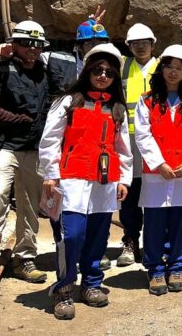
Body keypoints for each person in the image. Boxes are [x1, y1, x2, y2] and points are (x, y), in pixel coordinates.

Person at [38, 44, 133, 320]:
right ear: (88, 71)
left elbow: (123, 149)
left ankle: (91, 283)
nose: (103, 76)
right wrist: (50, 174)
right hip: (72, 181)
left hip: (104, 184)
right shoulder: (68, 102)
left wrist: (123, 179)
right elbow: (50, 140)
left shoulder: (117, 109)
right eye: (98, 70)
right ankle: (64, 287)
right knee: (72, 235)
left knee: (98, 236)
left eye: (109, 73)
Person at [0, 21, 53, 284]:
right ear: (15, 44)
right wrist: (17, 119)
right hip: (4, 146)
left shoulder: (46, 74)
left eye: (37, 45)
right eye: (26, 44)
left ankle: (25, 257)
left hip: (33, 149)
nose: (32, 50)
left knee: (30, 205)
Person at [134, 45, 182, 296]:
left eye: (179, 68)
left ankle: (177, 266)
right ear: (161, 68)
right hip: (157, 173)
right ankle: (155, 269)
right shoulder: (146, 100)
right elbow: (143, 136)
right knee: (154, 222)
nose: (173, 72)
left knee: (179, 221)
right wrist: (159, 164)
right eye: (169, 66)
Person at [116, 23, 159, 268]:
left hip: (157, 140)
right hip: (128, 140)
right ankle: (130, 241)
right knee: (129, 195)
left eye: (145, 42)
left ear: (153, 44)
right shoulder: (122, 67)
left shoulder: (163, 66)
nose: (140, 46)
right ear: (129, 46)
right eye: (135, 43)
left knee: (154, 193)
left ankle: (155, 242)